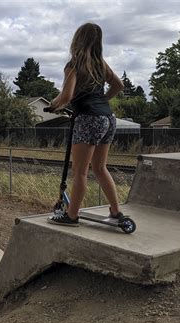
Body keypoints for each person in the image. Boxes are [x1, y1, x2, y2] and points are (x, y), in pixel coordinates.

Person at [47, 22, 124, 226]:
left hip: (88, 119)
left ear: (77, 39)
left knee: (80, 172)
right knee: (100, 168)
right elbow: (119, 85)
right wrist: (103, 101)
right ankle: (116, 212)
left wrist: (54, 106)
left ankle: (71, 216)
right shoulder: (100, 63)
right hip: (108, 118)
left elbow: (67, 96)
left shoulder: (74, 64)